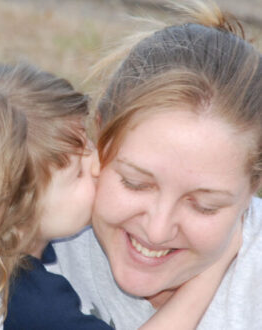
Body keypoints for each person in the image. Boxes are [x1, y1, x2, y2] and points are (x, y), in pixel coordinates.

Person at [0, 58, 237, 330]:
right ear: (12, 215)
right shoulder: (22, 301)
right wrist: (211, 271)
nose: (96, 165)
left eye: (86, 143)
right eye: (77, 172)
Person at [47, 0, 262, 329]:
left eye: (204, 206)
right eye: (135, 183)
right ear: (98, 136)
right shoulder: (42, 235)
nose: (157, 230)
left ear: (253, 187)